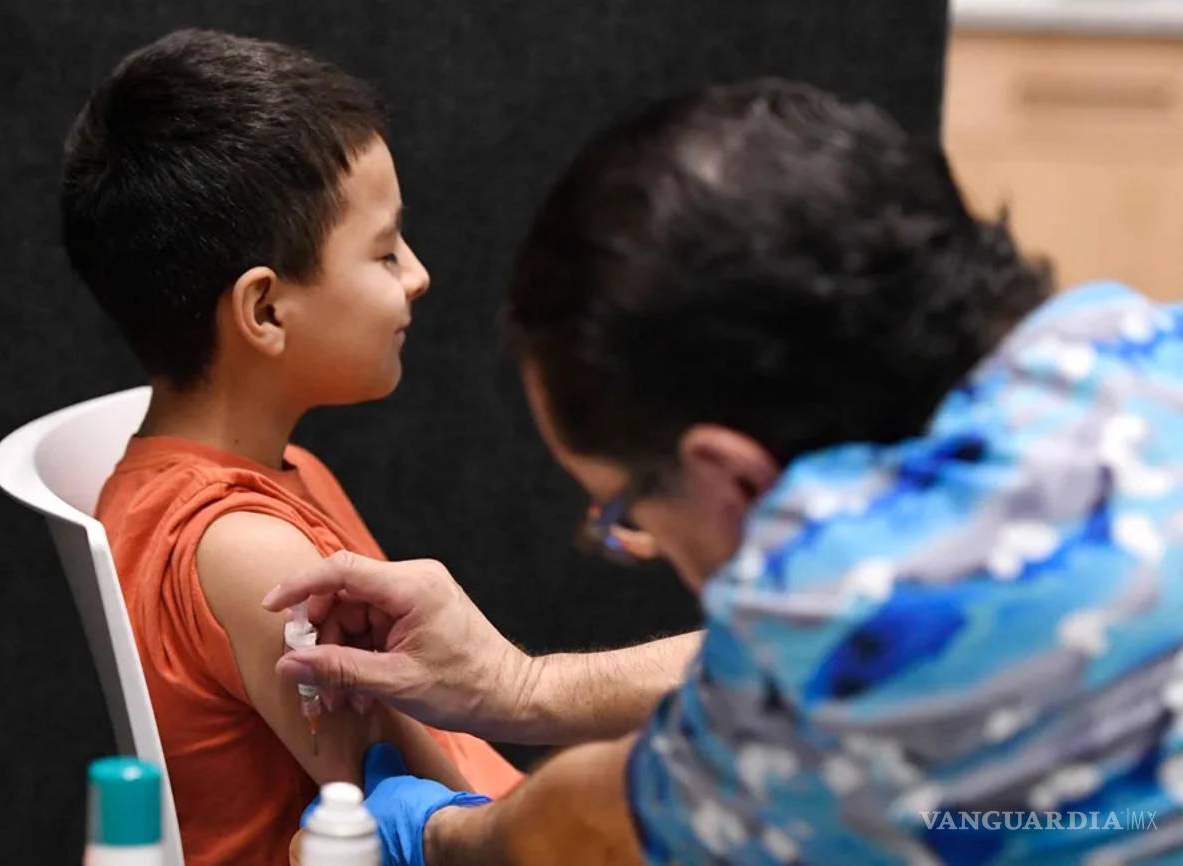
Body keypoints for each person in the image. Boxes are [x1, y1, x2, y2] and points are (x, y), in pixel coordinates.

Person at [265, 79, 1183, 864]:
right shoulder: (1130, 342)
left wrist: (442, 837)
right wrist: (523, 686)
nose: (631, 536)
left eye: (622, 508)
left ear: (730, 476)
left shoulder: (829, 626)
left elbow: (606, 819)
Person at [59, 29, 522, 866]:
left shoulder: (269, 477)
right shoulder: (255, 553)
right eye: (384, 251)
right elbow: (438, 821)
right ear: (265, 311)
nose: (416, 276)